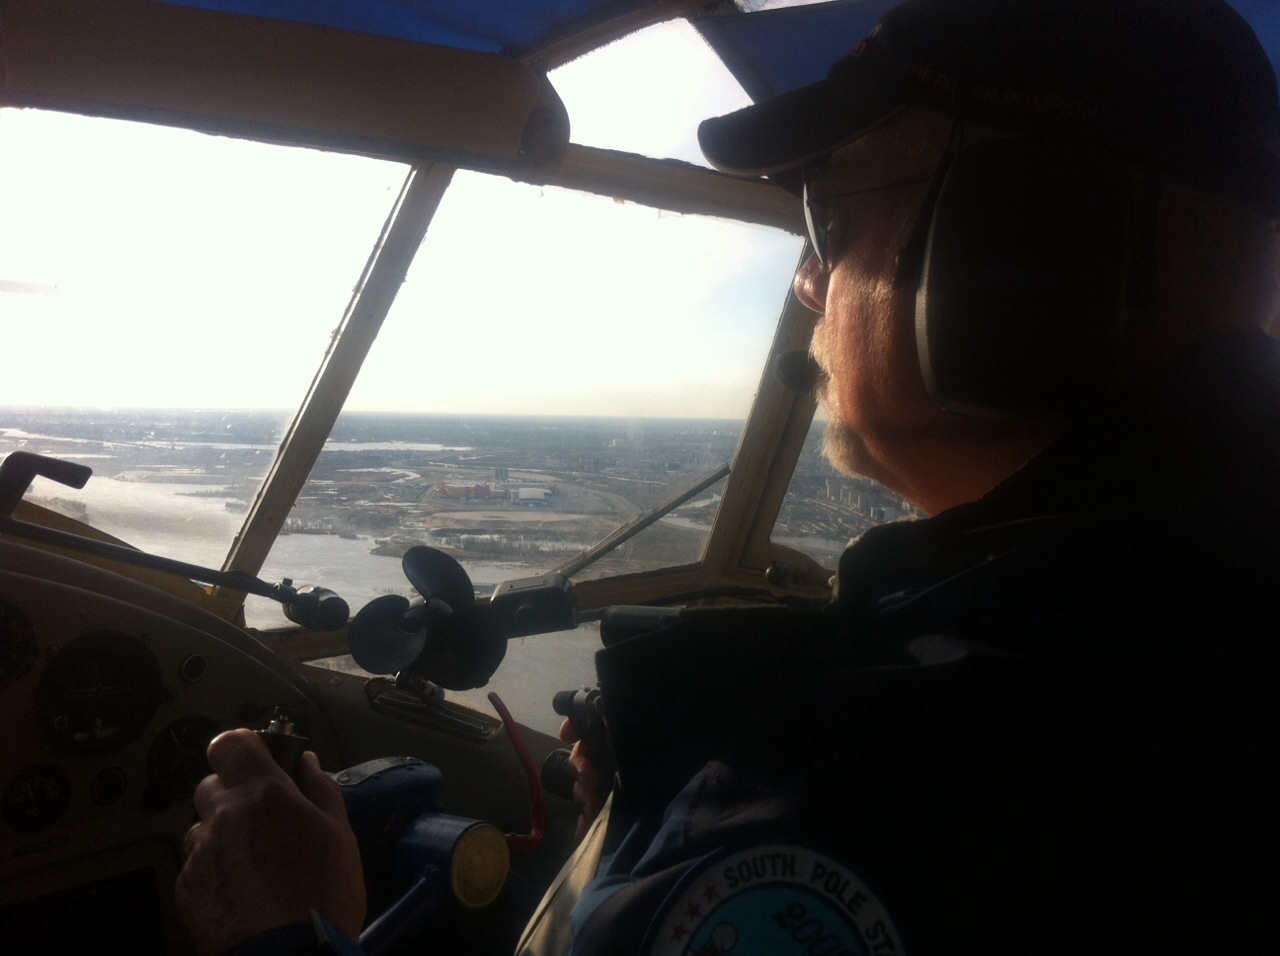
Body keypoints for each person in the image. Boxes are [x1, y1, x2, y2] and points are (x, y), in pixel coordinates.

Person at [177, 0, 1280, 952]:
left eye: (827, 217)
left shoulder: (890, 781)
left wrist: (283, 929)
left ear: (1023, 249)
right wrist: (661, 811)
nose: (805, 284)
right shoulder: (1174, 643)